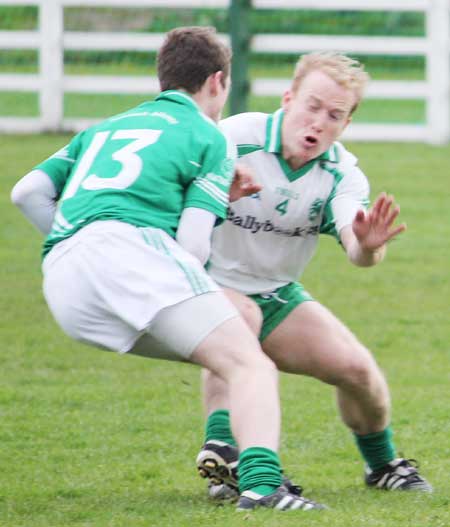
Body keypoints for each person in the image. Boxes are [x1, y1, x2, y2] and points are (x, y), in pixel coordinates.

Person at [10, 27, 326, 512]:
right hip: (134, 256)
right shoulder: (209, 136)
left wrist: (80, 242)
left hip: (66, 278)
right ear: (218, 82)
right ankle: (263, 486)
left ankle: (225, 449)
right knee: (252, 364)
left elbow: (27, 192)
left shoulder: (104, 128)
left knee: (240, 319)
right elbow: (192, 245)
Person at [195, 51, 432, 500]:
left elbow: (357, 252)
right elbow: (172, 200)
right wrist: (215, 196)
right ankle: (228, 452)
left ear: (346, 124)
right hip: (205, 287)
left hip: (276, 294)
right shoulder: (231, 139)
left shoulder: (341, 174)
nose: (319, 121)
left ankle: (382, 465)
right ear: (288, 99)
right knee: (239, 323)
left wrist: (368, 244)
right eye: (312, 106)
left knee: (358, 371)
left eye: (335, 115)